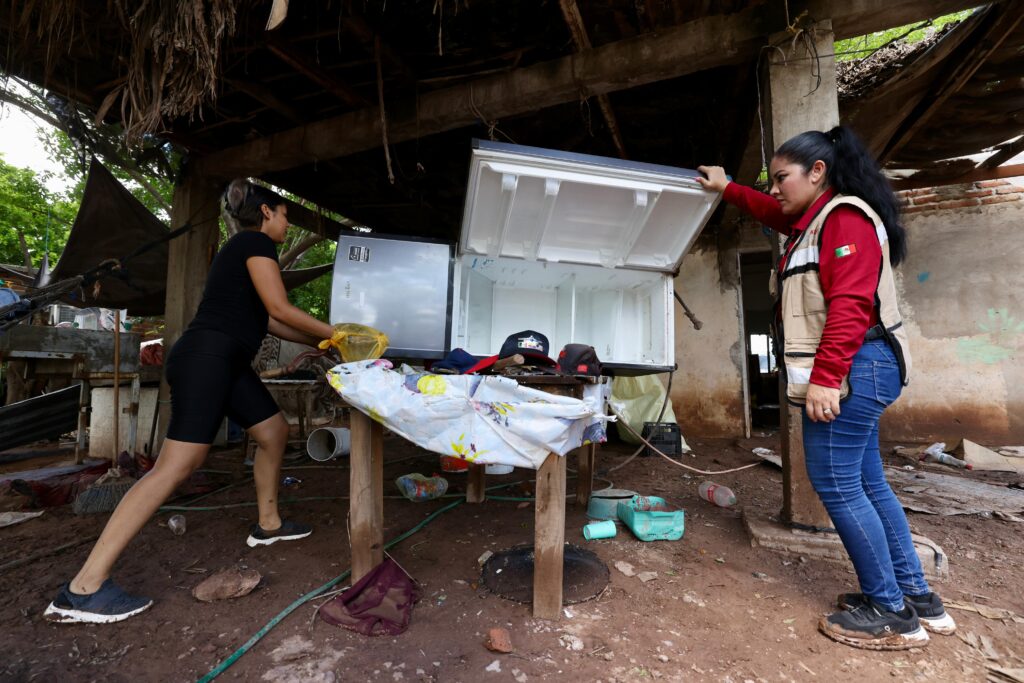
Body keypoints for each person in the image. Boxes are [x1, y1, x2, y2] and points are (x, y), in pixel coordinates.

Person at [697, 126, 955, 651]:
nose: (775, 189)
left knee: (836, 484)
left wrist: (825, 379)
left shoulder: (844, 218)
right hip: (861, 368)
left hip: (855, 368)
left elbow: (850, 306)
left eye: (782, 178)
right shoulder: (814, 221)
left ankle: (889, 612)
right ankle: (918, 599)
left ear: (818, 172)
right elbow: (774, 213)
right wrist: (728, 188)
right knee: (867, 484)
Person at [44, 179, 336, 624]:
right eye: (284, 215)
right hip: (207, 358)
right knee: (177, 466)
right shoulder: (254, 244)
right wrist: (336, 333)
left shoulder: (245, 258)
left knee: (274, 431)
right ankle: (83, 588)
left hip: (225, 360)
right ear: (265, 214)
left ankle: (269, 525)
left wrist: (326, 344)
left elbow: (273, 323)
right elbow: (279, 309)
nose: (285, 224)